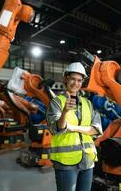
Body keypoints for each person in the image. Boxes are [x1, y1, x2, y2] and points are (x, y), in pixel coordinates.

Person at [46, 62, 103, 191]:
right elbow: (56, 129)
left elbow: (96, 129)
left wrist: (71, 127)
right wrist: (65, 112)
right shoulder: (57, 102)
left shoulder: (88, 103)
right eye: (72, 79)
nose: (75, 83)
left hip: (87, 160)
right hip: (65, 162)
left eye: (79, 80)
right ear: (65, 78)